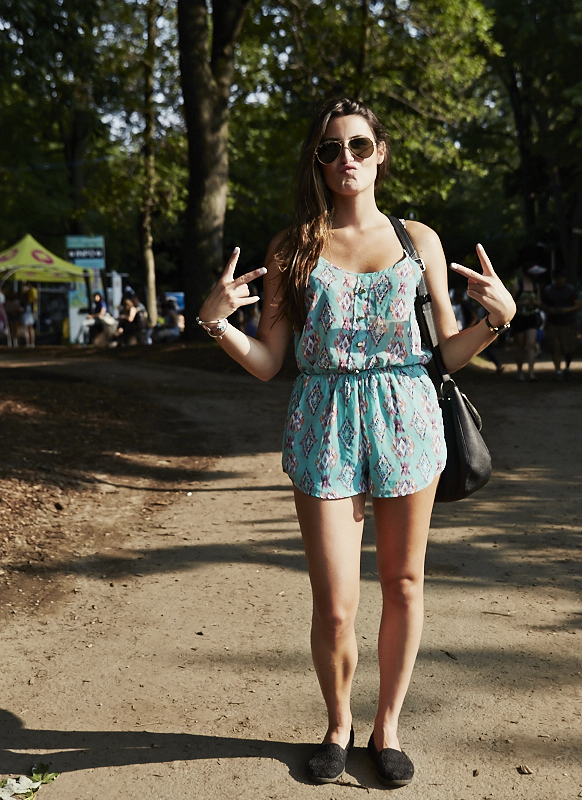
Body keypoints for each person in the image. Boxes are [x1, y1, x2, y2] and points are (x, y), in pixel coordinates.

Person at [196, 96, 515, 787]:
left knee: (403, 583)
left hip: (407, 415)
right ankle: (338, 722)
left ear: (381, 154)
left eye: (359, 146)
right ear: (317, 162)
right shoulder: (294, 246)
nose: (347, 159)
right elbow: (269, 361)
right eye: (331, 149)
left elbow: (446, 354)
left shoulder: (417, 240)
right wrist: (217, 323)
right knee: (335, 602)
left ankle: (387, 728)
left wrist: (498, 321)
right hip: (324, 420)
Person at [541, 271, 579, 379]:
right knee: (555, 348)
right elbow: (542, 304)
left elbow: (577, 305)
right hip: (553, 323)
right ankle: (558, 370)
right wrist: (549, 310)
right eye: (558, 278)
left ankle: (567, 366)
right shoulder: (548, 290)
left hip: (568, 323)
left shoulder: (570, 290)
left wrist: (567, 310)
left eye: (561, 277)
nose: (560, 280)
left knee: (569, 349)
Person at [510, 264, 545, 380]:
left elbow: (539, 302)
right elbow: (510, 303)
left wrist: (534, 302)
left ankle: (531, 372)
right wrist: (522, 303)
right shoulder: (517, 285)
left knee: (530, 344)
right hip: (519, 318)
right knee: (520, 346)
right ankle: (519, 371)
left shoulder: (535, 286)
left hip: (531, 317)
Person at [20, 281, 38, 347]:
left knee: (26, 330)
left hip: (26, 315)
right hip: (30, 315)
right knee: (31, 329)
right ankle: (32, 343)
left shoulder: (23, 302)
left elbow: (21, 309)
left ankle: (27, 343)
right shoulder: (31, 302)